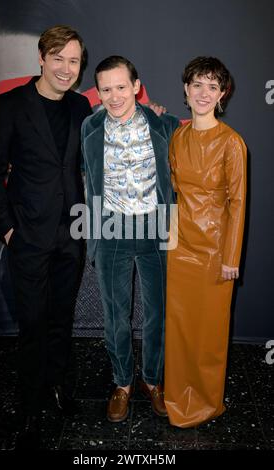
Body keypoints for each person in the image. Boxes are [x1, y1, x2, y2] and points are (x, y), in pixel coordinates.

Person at [0, 25, 92, 448]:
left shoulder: (83, 108)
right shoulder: (9, 106)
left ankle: (60, 387)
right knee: (32, 325)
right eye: (59, 58)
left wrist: (150, 113)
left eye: (74, 61)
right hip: (27, 235)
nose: (66, 68)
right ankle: (28, 408)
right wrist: (7, 229)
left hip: (71, 235)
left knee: (62, 319)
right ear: (42, 58)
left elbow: (112, 143)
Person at [81, 55, 179, 423]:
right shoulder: (89, 127)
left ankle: (153, 381)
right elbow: (88, 177)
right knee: (115, 317)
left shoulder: (165, 124)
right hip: (111, 232)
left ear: (136, 86)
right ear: (99, 92)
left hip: (154, 230)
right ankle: (122, 383)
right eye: (106, 89)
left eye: (122, 87)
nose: (115, 96)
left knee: (157, 315)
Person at [164, 56, 247, 427]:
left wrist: (232, 256)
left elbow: (238, 201)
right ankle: (175, 397)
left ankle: (205, 402)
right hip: (180, 247)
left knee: (209, 332)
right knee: (179, 328)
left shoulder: (232, 143)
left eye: (212, 86)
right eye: (197, 84)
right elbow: (173, 192)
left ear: (222, 94)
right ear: (186, 89)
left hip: (215, 250)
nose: (203, 92)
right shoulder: (178, 136)